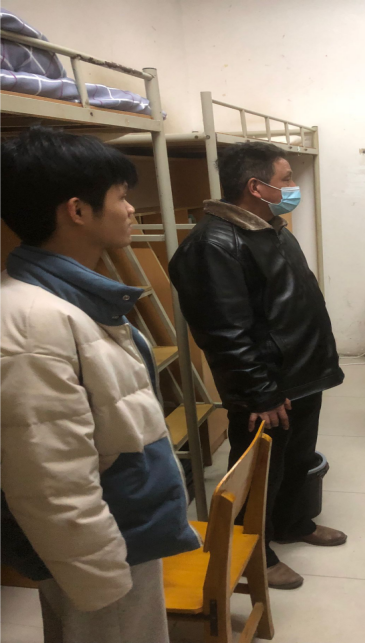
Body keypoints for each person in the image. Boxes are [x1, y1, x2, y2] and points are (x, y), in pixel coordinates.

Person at [0, 127, 200, 643]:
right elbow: (51, 480)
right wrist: (101, 578)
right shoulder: (35, 322)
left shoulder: (68, 301)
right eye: (121, 197)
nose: (131, 210)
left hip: (122, 533)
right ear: (77, 211)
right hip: (104, 552)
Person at [169, 141, 347, 591]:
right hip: (268, 386)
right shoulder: (213, 244)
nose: (292, 187)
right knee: (259, 473)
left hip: (300, 374)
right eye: (286, 179)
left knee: (297, 458)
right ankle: (253, 552)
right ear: (256, 186)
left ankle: (292, 523)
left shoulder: (270, 227)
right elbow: (224, 331)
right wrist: (259, 392)